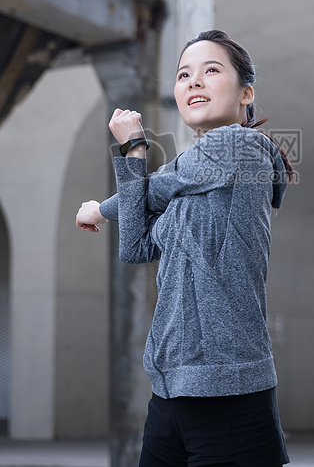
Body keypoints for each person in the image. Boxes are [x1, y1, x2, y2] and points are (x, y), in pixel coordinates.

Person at [76, 30, 293, 467]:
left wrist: (100, 207)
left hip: (230, 395)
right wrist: (133, 156)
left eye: (211, 70)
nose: (194, 81)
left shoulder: (244, 147)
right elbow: (135, 246)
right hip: (169, 393)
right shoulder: (187, 196)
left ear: (246, 92)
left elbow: (159, 186)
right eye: (183, 74)